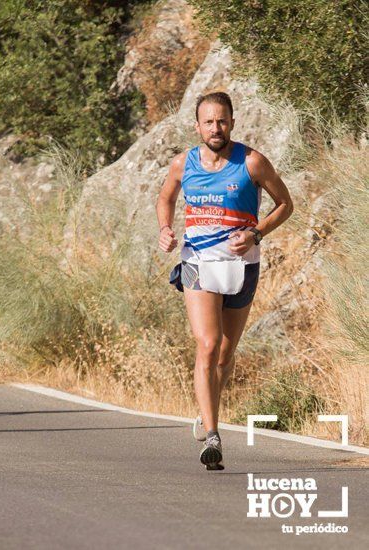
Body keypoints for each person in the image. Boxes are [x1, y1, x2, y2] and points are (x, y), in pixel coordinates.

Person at [156, 91, 293, 471]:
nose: (215, 128)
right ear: (197, 126)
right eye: (208, 122)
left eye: (222, 121)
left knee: (225, 355)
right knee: (208, 344)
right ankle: (213, 436)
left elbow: (286, 204)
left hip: (242, 265)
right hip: (198, 262)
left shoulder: (251, 162)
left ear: (232, 122)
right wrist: (165, 229)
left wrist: (257, 233)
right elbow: (165, 198)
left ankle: (206, 411)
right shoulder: (183, 163)